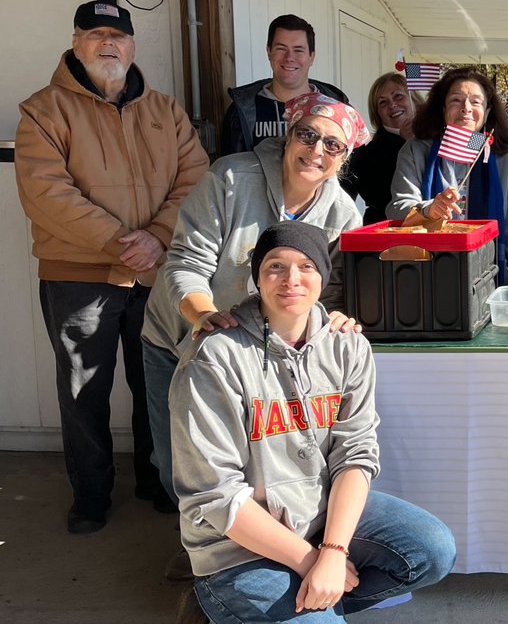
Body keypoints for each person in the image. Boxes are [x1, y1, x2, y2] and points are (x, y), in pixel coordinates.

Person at [171, 221, 456, 622]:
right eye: (275, 266)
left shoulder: (347, 345)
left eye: (306, 266)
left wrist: (334, 553)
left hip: (316, 517)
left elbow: (355, 454)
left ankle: (311, 603)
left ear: (323, 276)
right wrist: (310, 561)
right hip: (236, 550)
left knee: (432, 549)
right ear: (257, 278)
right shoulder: (216, 356)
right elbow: (216, 494)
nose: (292, 279)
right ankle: (221, 603)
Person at [142, 92, 367, 577]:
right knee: (179, 460)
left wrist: (340, 317)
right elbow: (185, 262)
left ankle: (263, 549)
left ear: (344, 157)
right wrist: (205, 317)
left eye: (333, 144)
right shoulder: (230, 178)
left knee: (256, 461)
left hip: (269, 351)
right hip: (186, 336)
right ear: (288, 135)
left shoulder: (343, 213)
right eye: (308, 135)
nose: (317, 150)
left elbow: (337, 288)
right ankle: (206, 561)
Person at [14, 0, 209, 534]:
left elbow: (195, 178)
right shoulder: (43, 110)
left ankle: (158, 480)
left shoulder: (165, 110)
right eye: (95, 34)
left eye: (117, 36)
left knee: (158, 385)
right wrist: (123, 243)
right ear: (76, 43)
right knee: (84, 393)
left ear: (132, 46)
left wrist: (158, 237)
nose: (107, 44)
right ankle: (91, 496)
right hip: (78, 277)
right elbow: (46, 193)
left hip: (155, 274)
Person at [387, 67, 508, 283]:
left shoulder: (504, 155)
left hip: (488, 273)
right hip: (427, 272)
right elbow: (396, 208)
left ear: (487, 111)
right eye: (456, 100)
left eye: (476, 102)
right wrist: (429, 210)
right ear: (443, 108)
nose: (466, 108)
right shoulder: (415, 150)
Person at [220, 14, 350, 156]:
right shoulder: (240, 113)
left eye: (298, 50)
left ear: (311, 57)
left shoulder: (338, 108)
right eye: (281, 49)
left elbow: (352, 165)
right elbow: (229, 164)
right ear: (269, 52)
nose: (289, 58)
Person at [342, 72, 421, 224]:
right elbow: (381, 199)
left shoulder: (441, 136)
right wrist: (407, 143)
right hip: (389, 231)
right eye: (383, 103)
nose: (392, 105)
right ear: (377, 114)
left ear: (414, 100)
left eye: (398, 96)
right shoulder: (367, 155)